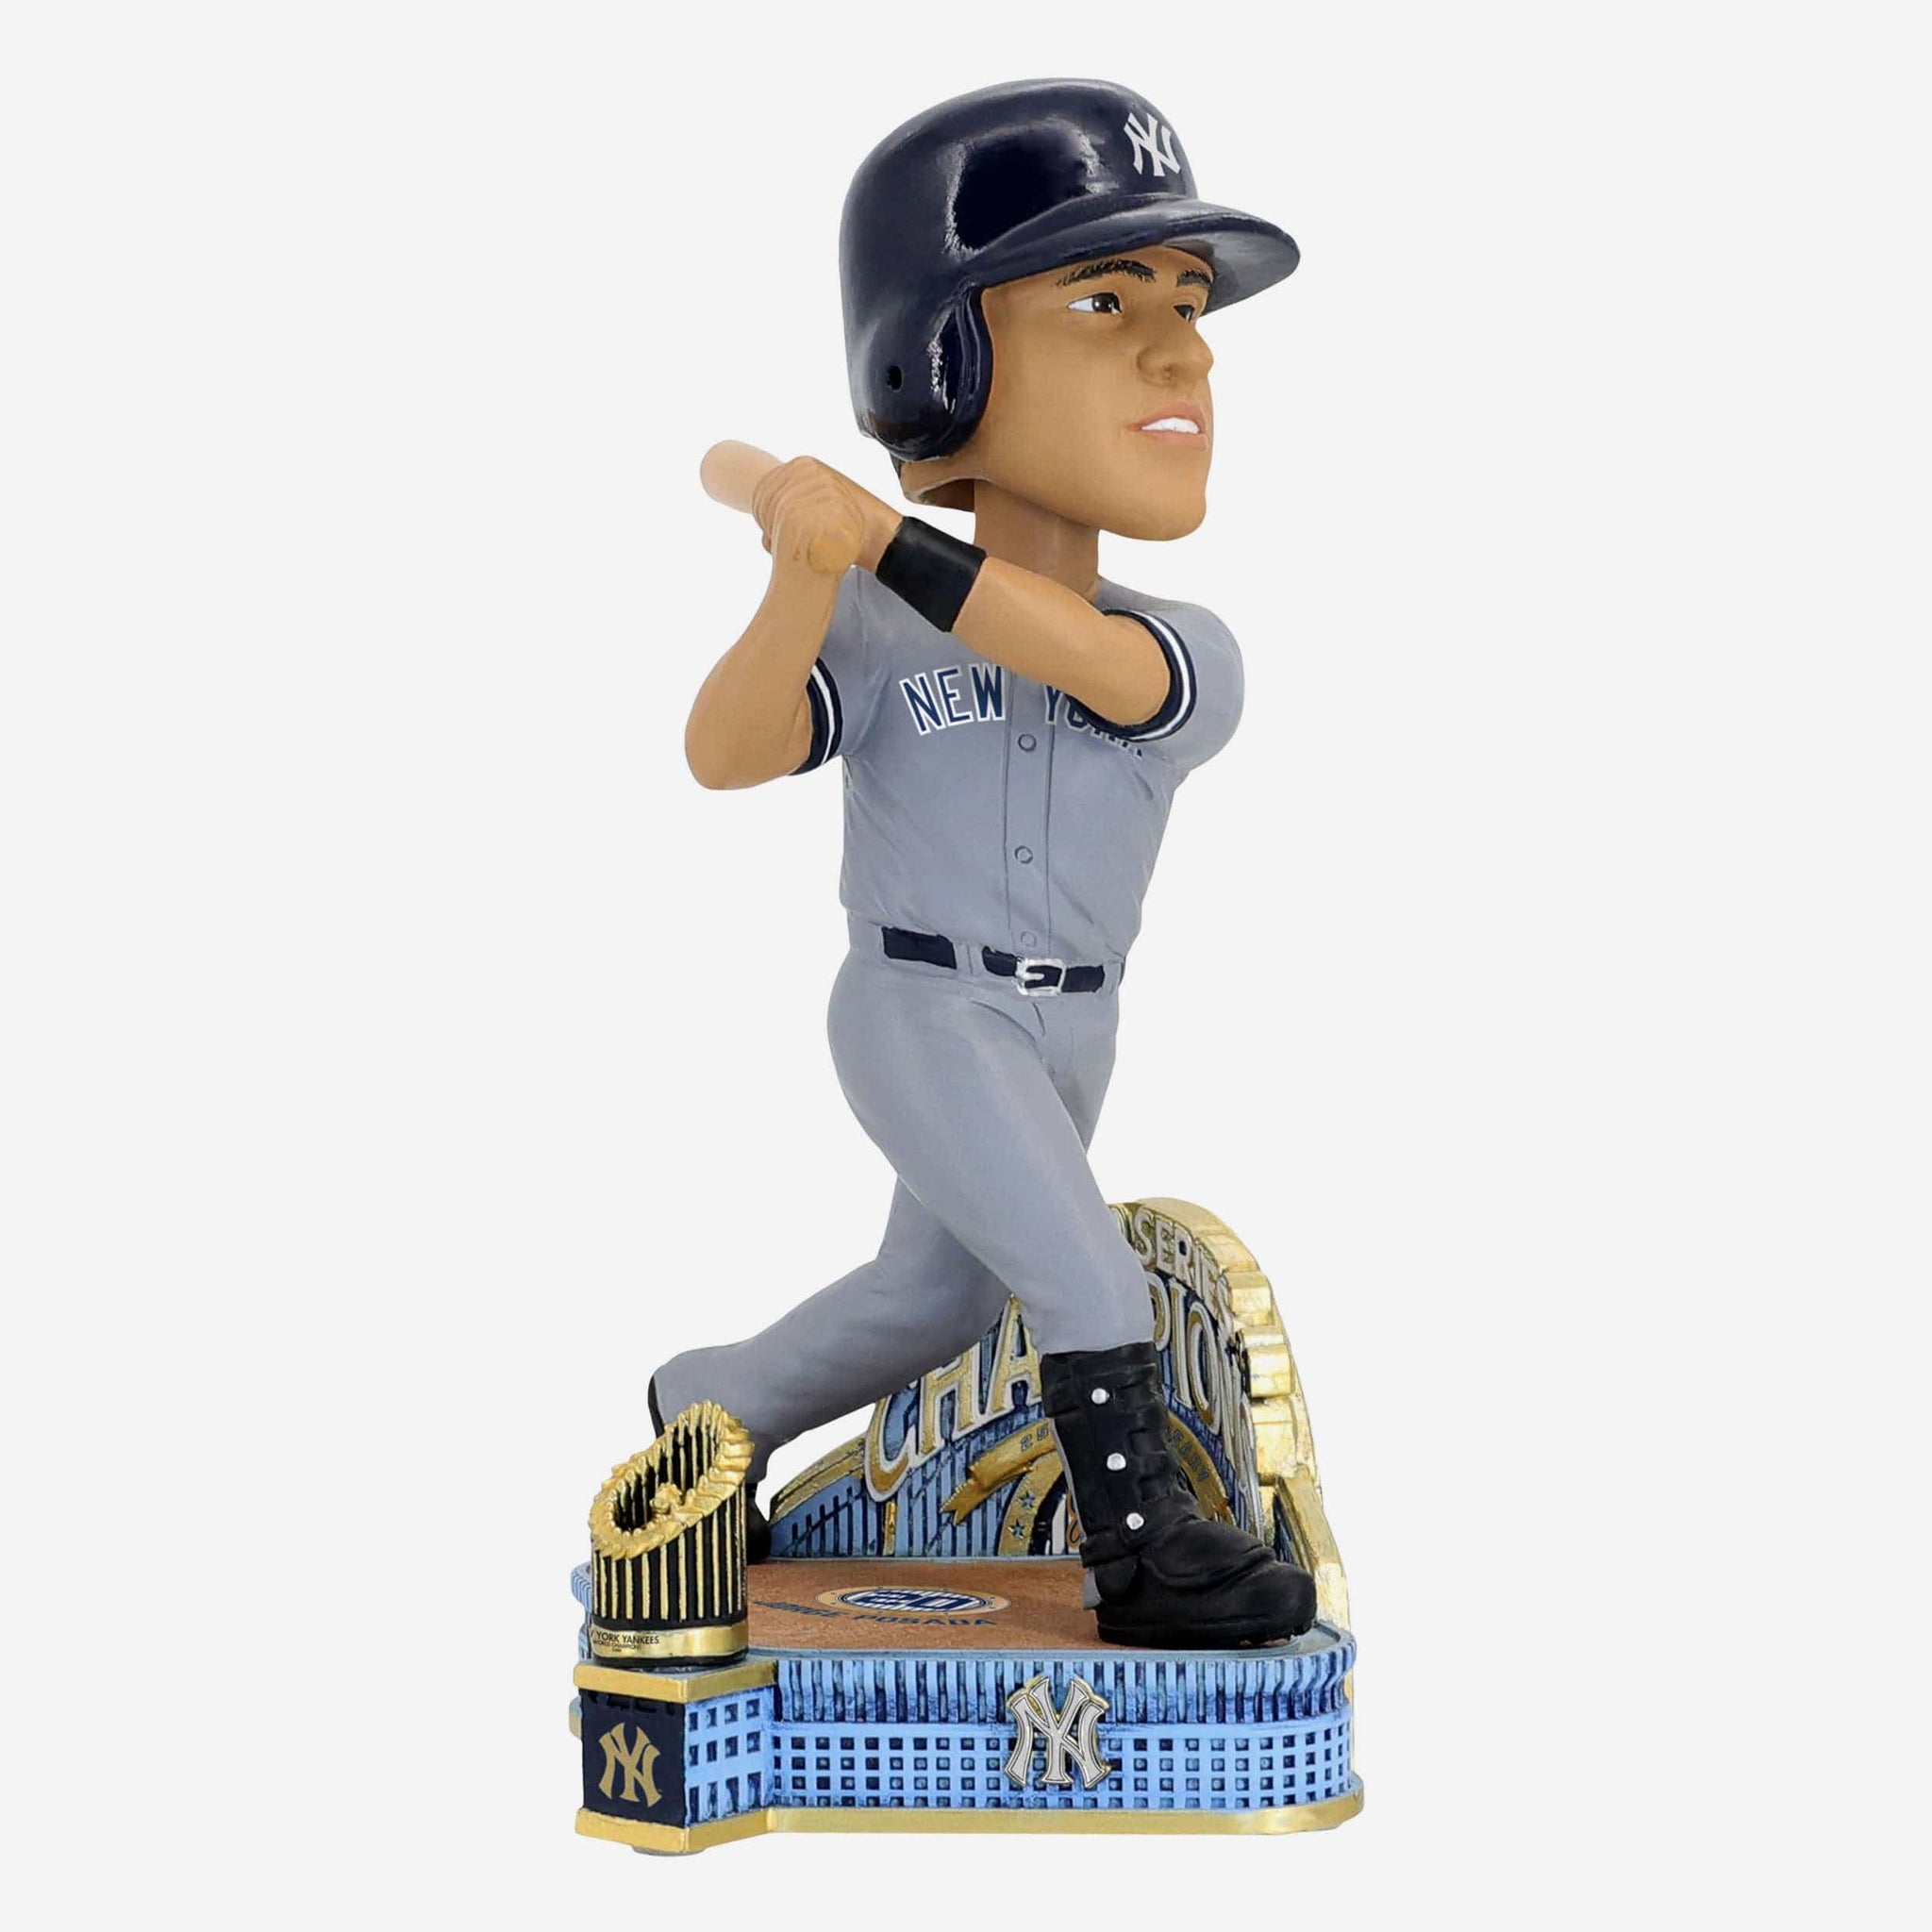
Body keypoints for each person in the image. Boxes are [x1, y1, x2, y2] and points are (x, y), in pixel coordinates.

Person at [650, 79, 1315, 1647]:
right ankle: (1144, 1559)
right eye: (1106, 300)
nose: (1187, 351)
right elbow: (724, 751)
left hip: (1075, 1021)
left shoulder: (1189, 649)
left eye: (1188, 304)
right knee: (1088, 1280)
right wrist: (804, 572)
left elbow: (1075, 652)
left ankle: (705, 1406)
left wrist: (877, 540)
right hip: (921, 1005)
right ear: (937, 360)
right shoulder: (868, 618)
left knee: (933, 1302)